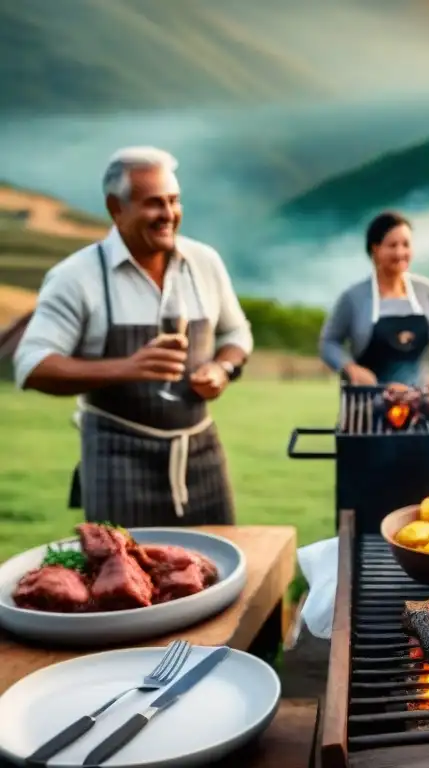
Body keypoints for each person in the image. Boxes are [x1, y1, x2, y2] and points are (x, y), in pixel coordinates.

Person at [13, 146, 253, 526]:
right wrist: (126, 367)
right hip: (116, 458)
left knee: (221, 568)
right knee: (125, 578)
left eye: (174, 201)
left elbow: (237, 332)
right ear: (115, 208)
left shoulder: (204, 262)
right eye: (154, 204)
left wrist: (224, 368)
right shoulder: (75, 277)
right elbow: (32, 365)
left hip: (200, 452)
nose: (169, 215)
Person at [319, 211, 429, 386]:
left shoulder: (426, 290)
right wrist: (350, 367)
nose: (400, 253)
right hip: (368, 399)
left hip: (417, 399)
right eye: (392, 245)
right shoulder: (354, 297)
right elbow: (329, 342)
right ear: (375, 249)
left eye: (406, 244)